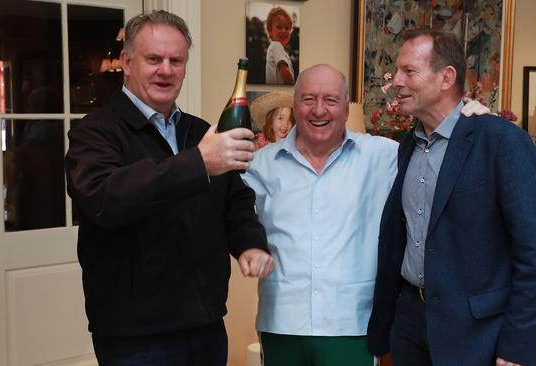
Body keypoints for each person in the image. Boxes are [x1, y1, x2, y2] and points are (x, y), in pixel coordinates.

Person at [241, 64, 490, 366]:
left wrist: (473, 124)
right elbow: (230, 214)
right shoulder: (259, 164)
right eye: (308, 99)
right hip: (281, 323)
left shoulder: (385, 156)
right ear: (294, 107)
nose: (319, 110)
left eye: (331, 100)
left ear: (346, 109)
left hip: (353, 326)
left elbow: (442, 163)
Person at [64, 10, 274, 366]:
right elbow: (105, 199)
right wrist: (198, 164)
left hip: (205, 323)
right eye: (154, 59)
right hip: (135, 335)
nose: (166, 70)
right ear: (128, 62)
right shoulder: (95, 132)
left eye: (176, 60)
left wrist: (250, 243)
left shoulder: (201, 132)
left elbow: (235, 203)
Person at [366, 30, 536, 366]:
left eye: (409, 72)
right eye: (396, 71)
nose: (395, 81)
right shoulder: (408, 145)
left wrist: (518, 342)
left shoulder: (501, 142)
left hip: (477, 330)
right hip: (411, 321)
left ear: (446, 78)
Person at [265, 6, 295, 85]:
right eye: (279, 27)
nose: (283, 30)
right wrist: (294, 88)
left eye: (287, 28)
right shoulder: (276, 46)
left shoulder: (279, 49)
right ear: (270, 31)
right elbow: (284, 71)